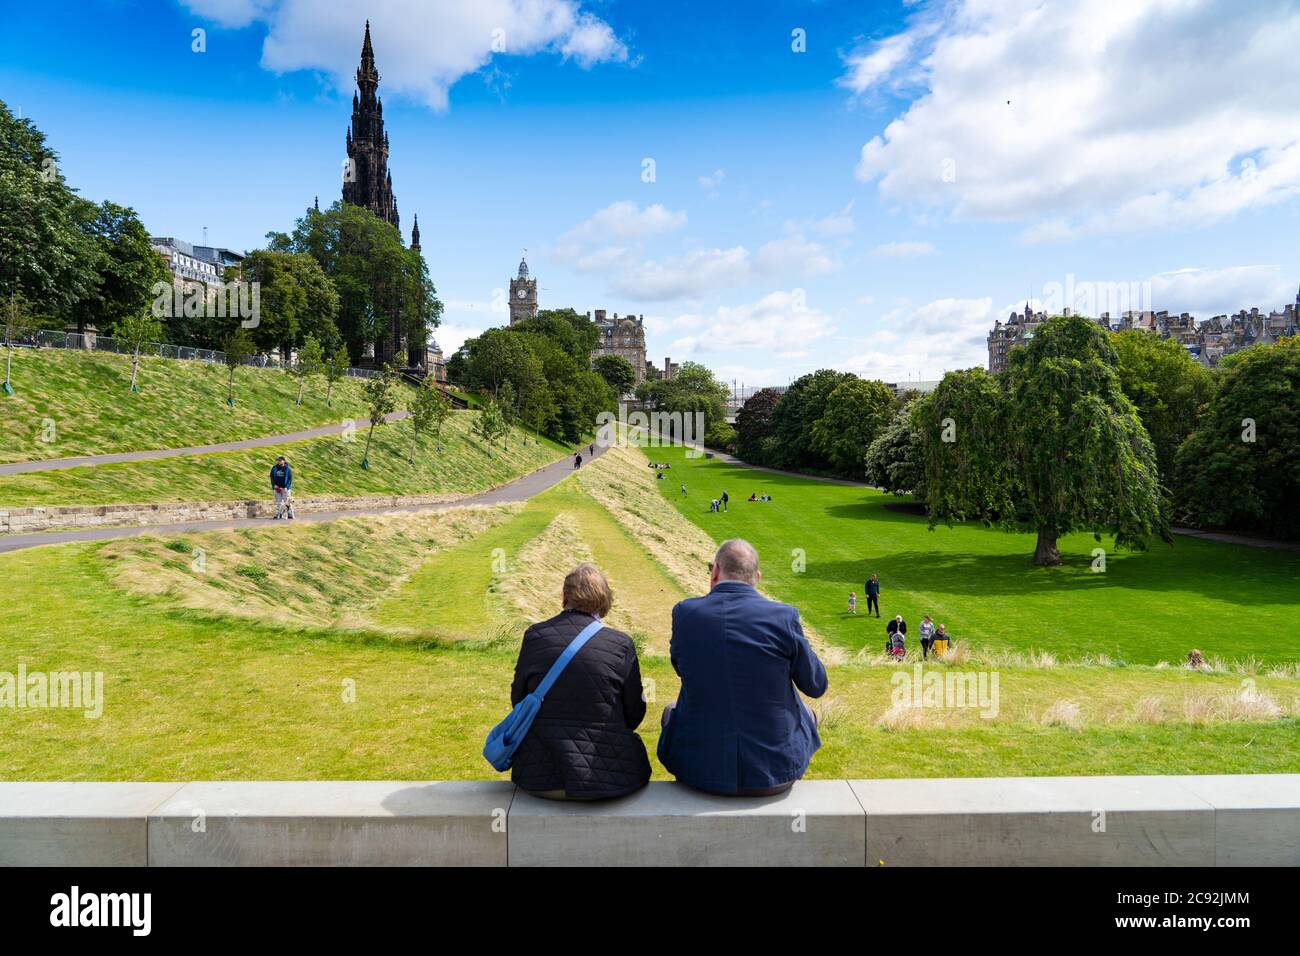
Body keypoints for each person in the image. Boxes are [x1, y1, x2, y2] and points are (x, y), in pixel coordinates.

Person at [658, 540, 828, 796]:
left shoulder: (685, 613)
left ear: (715, 572)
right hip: (774, 773)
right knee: (807, 713)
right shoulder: (782, 617)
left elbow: (681, 668)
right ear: (757, 577)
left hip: (698, 771)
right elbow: (816, 685)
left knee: (670, 711)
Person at [508, 564, 652, 801]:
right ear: (605, 600)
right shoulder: (620, 644)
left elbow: (518, 700)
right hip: (608, 779)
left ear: (564, 597)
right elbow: (634, 713)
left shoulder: (535, 636)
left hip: (539, 776)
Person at [269, 455, 294, 520]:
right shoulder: (274, 468)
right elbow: (271, 477)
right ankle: (278, 514)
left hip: (285, 488)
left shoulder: (287, 469)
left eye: (280, 460)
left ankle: (289, 514)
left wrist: (287, 487)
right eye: (278, 461)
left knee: (287, 502)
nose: (279, 462)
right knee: (278, 502)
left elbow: (290, 479)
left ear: (284, 461)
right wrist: (274, 485)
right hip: (277, 487)